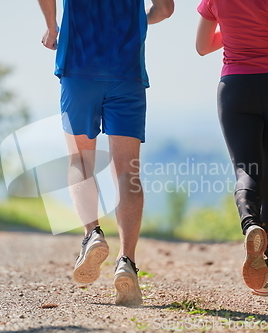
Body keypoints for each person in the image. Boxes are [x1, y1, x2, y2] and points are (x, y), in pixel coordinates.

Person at [38, 0, 174, 306]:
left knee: (80, 159)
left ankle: (93, 234)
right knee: (128, 171)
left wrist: (51, 26)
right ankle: (127, 261)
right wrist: (137, 19)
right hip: (127, 73)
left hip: (78, 67)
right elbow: (165, 9)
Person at [195, 0, 268, 296]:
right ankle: (265, 267)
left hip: (236, 89)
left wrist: (234, 30)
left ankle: (250, 226)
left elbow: (202, 45)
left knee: (247, 171)